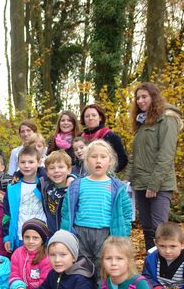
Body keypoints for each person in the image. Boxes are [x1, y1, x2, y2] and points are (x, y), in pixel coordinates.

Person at [126, 82, 183, 250]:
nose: (140, 101)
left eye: (144, 97)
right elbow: (135, 156)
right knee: (147, 228)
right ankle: (151, 264)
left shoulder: (167, 119)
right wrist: (127, 181)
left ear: (154, 97)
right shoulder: (142, 124)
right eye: (137, 98)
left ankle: (165, 265)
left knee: (160, 229)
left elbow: (166, 154)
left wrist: (154, 184)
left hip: (159, 185)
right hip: (141, 183)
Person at [61, 140, 132, 272]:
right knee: (81, 268)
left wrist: (122, 235)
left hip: (105, 234)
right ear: (87, 161)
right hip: (80, 233)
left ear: (110, 161)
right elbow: (66, 211)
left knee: (103, 269)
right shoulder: (77, 185)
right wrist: (66, 233)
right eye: (94, 157)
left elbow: (126, 214)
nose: (98, 161)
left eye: (103, 157)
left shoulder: (117, 187)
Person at [3, 146, 47, 253]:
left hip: (42, 236)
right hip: (20, 236)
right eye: (23, 162)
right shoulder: (12, 188)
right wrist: (7, 237)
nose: (26, 166)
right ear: (18, 163)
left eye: (31, 162)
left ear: (39, 162)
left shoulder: (45, 184)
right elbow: (7, 215)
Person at [80, 104, 128, 173]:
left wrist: (109, 172)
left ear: (100, 118)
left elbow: (123, 159)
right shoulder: (80, 138)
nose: (90, 118)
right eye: (87, 116)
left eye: (94, 115)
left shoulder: (111, 136)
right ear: (84, 119)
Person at [39, 150, 73, 237]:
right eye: (52, 168)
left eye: (61, 167)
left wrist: (73, 177)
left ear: (69, 170)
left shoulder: (74, 188)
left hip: (69, 234)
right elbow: (33, 170)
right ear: (47, 173)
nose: (56, 171)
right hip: (51, 233)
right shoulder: (45, 186)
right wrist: (18, 174)